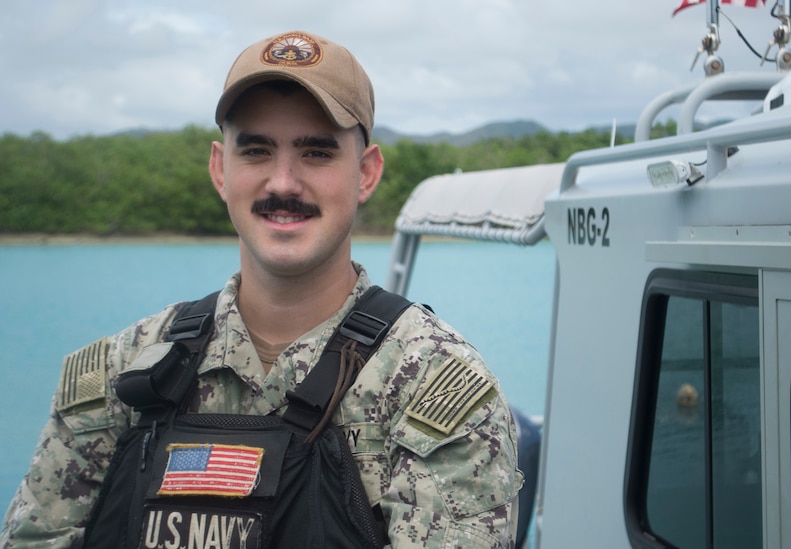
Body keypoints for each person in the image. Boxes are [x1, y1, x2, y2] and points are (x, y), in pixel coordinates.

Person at [0, 30, 522, 548]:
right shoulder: (124, 373)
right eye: (256, 151)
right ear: (219, 170)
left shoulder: (425, 388)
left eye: (316, 153)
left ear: (365, 173)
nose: (283, 183)